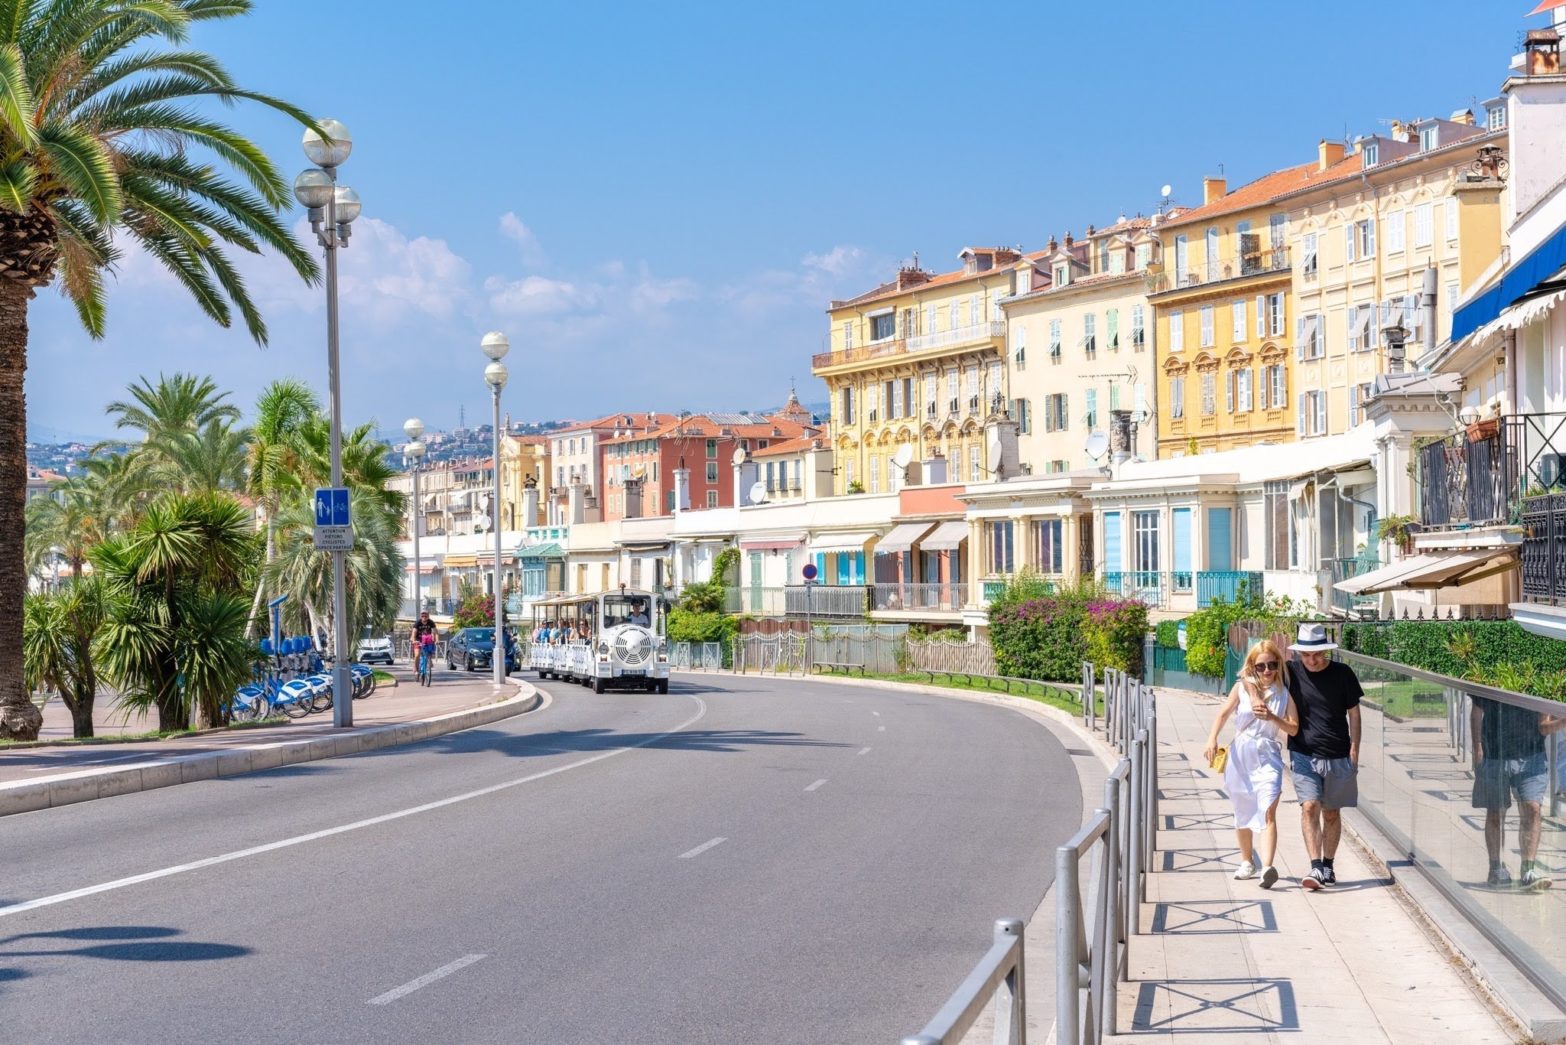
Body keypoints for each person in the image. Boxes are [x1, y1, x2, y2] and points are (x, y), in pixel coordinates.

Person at [1203, 639, 1299, 890]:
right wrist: (1212, 739)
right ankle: (1247, 861)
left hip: (1268, 756)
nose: (1267, 670)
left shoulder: (1284, 694)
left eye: (1272, 665)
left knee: (1268, 809)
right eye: (1261, 666)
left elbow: (1293, 728)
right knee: (1242, 808)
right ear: (1252, 666)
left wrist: (1272, 717)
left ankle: (1267, 867)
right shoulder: (1242, 688)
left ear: (1279, 665)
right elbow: (1223, 713)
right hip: (1241, 755)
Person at [1286, 623, 1362, 891]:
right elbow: (1256, 672)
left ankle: (1328, 865)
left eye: (1317, 654)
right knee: (1309, 806)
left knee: (1331, 813)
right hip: (1303, 752)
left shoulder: (1343, 673)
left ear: (1326, 651)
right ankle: (1315, 866)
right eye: (1306, 655)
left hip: (1337, 752)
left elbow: (1354, 713)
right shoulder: (1291, 671)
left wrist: (1355, 747)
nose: (1311, 660)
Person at [1472, 696, 1564, 890]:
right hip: (1494, 755)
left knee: (1533, 808)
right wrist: (1477, 748)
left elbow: (1543, 727)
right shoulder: (1493, 680)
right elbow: (1477, 712)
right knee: (1495, 812)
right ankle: (1496, 868)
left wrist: (1563, 721)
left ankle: (1528, 870)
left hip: (1531, 757)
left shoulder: (1538, 684)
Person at [413, 612, 438, 677]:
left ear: (428, 616)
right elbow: (414, 633)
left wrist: (437, 640)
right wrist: (414, 640)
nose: (424, 617)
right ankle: (416, 670)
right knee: (417, 655)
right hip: (418, 640)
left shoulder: (431, 622)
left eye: (425, 616)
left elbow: (435, 632)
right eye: (422, 616)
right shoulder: (418, 623)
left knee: (430, 650)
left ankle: (430, 659)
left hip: (427, 640)